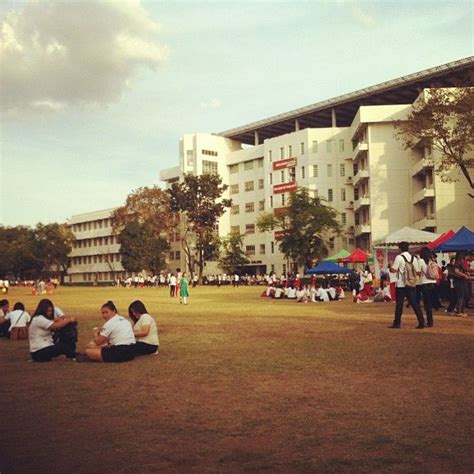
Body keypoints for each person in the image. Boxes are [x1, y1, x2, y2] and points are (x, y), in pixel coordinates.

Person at [389, 242, 425, 329]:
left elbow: (394, 270)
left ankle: (397, 323)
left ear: (400, 249)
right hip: (411, 283)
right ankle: (421, 321)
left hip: (401, 284)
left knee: (399, 304)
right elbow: (417, 271)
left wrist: (390, 266)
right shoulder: (414, 258)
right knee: (414, 303)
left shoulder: (399, 257)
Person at [418, 247, 437, 327]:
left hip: (425, 283)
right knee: (431, 303)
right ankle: (430, 321)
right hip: (433, 283)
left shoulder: (421, 261)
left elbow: (418, 271)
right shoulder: (432, 260)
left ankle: (429, 322)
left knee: (427, 304)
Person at [453, 252, 470, 318]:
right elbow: (456, 271)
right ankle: (459, 311)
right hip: (458, 281)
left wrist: (466, 273)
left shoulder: (462, 262)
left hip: (462, 281)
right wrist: (464, 275)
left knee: (464, 295)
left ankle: (460, 310)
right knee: (461, 296)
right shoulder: (458, 262)